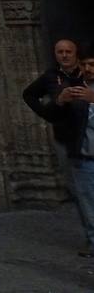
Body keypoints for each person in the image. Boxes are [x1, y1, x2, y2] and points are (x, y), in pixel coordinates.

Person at [24, 38, 89, 254]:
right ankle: (92, 237)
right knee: (81, 191)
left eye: (68, 51)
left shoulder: (87, 74)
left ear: (76, 53)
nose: (64, 55)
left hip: (90, 135)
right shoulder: (52, 77)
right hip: (69, 138)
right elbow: (30, 95)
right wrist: (56, 104)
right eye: (60, 52)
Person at [53, 49, 94, 257]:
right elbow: (56, 117)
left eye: (93, 64)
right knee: (86, 202)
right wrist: (60, 101)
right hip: (84, 155)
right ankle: (92, 241)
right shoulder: (73, 90)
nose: (88, 69)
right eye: (85, 64)